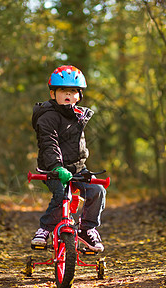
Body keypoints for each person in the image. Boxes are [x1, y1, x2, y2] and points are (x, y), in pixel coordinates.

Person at [31, 65, 106, 252]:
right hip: (52, 169)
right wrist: (56, 166)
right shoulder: (47, 117)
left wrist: (78, 168)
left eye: (73, 91)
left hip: (78, 168)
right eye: (63, 90)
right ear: (52, 93)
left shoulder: (79, 116)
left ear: (79, 96)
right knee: (63, 194)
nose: (68, 94)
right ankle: (45, 229)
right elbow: (49, 143)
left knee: (97, 190)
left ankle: (87, 228)